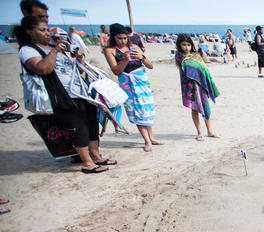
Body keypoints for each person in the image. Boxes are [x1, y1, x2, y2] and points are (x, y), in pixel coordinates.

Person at [15, 16, 113, 173]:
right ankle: (87, 163)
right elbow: (43, 69)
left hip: (81, 92)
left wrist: (79, 57)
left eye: (47, 29)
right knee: (77, 128)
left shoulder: (54, 47)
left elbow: (79, 70)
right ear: (29, 31)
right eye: (42, 30)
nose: (47, 33)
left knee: (91, 124)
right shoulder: (28, 50)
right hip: (61, 96)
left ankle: (96, 156)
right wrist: (55, 51)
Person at [104, 23, 158, 151]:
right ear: (113, 37)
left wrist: (142, 57)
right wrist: (125, 60)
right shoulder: (110, 50)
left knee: (147, 109)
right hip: (127, 82)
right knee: (136, 111)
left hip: (141, 81)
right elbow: (116, 71)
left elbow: (150, 66)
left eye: (124, 38)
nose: (123, 41)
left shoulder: (134, 47)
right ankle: (146, 141)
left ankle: (151, 138)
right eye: (119, 38)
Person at [175, 34, 219, 141]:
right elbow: (189, 68)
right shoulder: (179, 57)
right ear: (180, 45)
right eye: (184, 45)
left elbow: (203, 68)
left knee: (206, 108)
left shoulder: (195, 56)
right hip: (189, 87)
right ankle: (199, 132)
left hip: (201, 85)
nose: (186, 47)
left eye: (189, 45)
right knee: (195, 108)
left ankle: (209, 131)